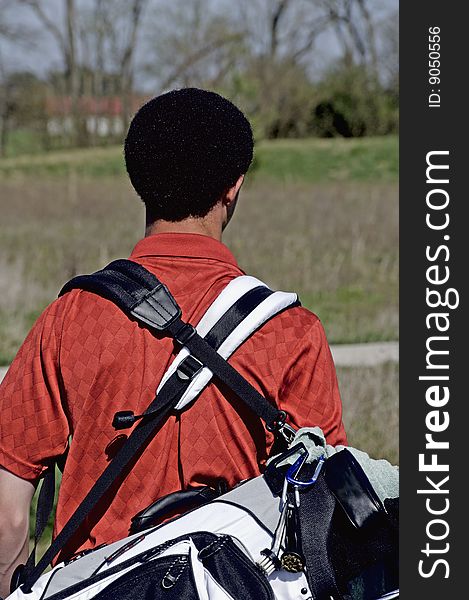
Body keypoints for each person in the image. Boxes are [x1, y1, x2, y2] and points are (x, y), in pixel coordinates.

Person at [0, 88, 346, 597]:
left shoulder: (68, 319)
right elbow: (324, 515)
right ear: (234, 187)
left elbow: (8, 513)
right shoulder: (291, 333)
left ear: (139, 182)